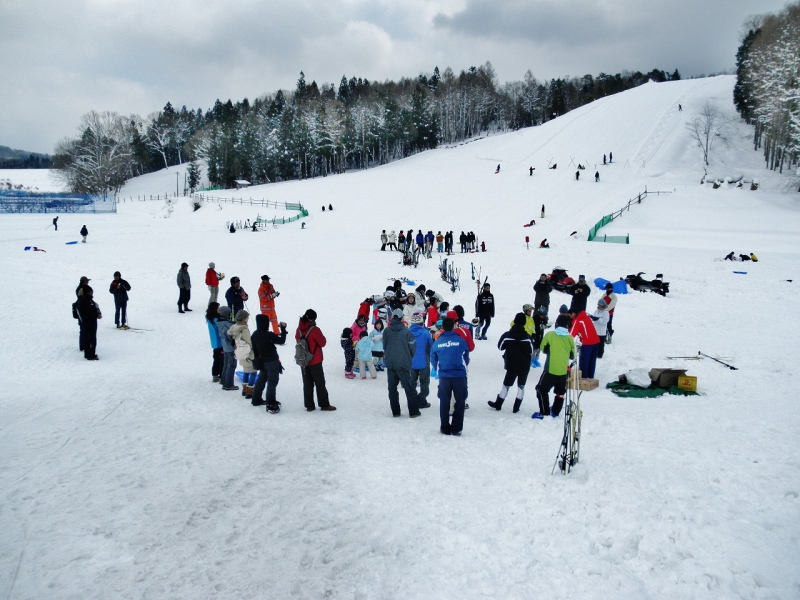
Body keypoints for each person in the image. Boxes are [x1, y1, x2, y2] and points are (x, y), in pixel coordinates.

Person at [431, 316, 470, 435]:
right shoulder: (461, 341)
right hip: (459, 375)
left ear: (442, 327)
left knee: (444, 402)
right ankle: (456, 428)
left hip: (444, 376)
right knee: (460, 401)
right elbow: (466, 357)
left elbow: (433, 358)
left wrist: (439, 368)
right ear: (453, 327)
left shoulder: (438, 342)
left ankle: (444, 427)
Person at [532, 315, 576, 419]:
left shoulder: (550, 335)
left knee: (541, 390)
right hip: (564, 371)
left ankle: (544, 412)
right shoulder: (570, 338)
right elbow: (572, 355)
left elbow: (543, 348)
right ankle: (555, 411)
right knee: (560, 392)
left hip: (550, 370)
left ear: (556, 324)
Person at [489, 313, 534, 412]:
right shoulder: (527, 337)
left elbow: (500, 347)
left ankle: (498, 403)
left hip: (512, 365)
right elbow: (531, 350)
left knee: (506, 385)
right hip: (524, 366)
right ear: (524, 323)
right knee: (521, 386)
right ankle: (516, 407)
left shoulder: (507, 335)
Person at [382, 309, 421, 418]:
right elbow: (413, 348)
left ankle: (396, 412)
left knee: (392, 389)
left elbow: (384, 346)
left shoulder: (387, 331)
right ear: (401, 318)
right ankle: (413, 412)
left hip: (390, 363)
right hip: (403, 364)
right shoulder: (406, 332)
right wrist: (408, 357)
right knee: (409, 388)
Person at [296, 309, 336, 411]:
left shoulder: (298, 330)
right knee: (320, 383)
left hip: (303, 360)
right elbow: (322, 342)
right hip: (315, 360)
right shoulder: (315, 330)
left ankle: (309, 406)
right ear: (313, 319)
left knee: (307, 383)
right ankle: (324, 404)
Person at [250, 316, 287, 412]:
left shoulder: (255, 334)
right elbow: (281, 341)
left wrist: (258, 359)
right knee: (272, 381)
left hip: (262, 361)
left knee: (261, 379)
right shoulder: (269, 335)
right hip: (272, 362)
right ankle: (271, 402)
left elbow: (254, 349)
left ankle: (256, 399)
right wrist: (283, 330)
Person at [230, 309, 257, 398]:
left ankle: (244, 389)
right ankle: (249, 391)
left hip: (240, 352)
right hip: (247, 353)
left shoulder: (235, 327)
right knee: (253, 372)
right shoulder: (244, 329)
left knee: (245, 371)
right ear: (244, 319)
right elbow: (249, 342)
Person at [409, 312, 433, 408]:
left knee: (412, 382)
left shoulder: (407, 332)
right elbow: (431, 346)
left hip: (411, 362)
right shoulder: (425, 333)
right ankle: (422, 399)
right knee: (424, 382)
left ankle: (413, 400)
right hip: (424, 361)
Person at [569, 308, 601, 379]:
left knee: (584, 360)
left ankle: (583, 377)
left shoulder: (577, 321)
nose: (570, 317)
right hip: (596, 341)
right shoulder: (587, 317)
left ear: (573, 313)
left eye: (570, 315)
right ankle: (590, 376)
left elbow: (570, 335)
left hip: (587, 343)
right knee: (592, 360)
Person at [216, 306, 238, 391]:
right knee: (232, 365)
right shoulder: (227, 325)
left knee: (226, 364)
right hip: (230, 347)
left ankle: (224, 380)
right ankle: (228, 384)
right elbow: (231, 335)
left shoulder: (220, 323)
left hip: (225, 347)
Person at [77, 286, 101, 360]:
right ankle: (89, 355)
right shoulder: (84, 300)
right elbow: (88, 312)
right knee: (90, 339)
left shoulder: (89, 300)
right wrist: (96, 314)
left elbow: (94, 308)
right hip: (88, 323)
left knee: (92, 338)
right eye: (90, 292)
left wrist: (98, 312)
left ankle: (91, 353)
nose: (92, 293)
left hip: (91, 322)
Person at [205, 303, 224, 383]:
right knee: (220, 360)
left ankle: (215, 374)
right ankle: (220, 374)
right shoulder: (216, 320)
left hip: (214, 342)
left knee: (216, 359)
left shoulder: (210, 318)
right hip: (219, 342)